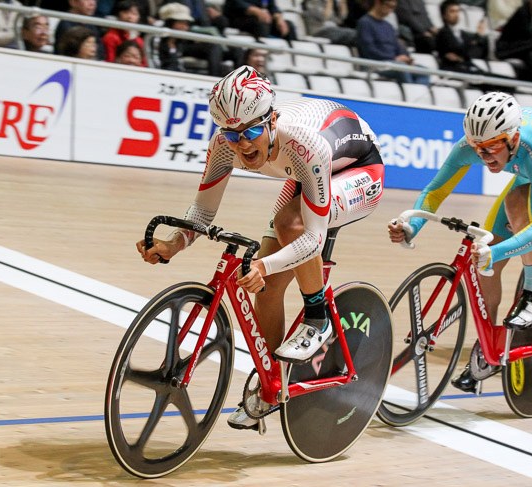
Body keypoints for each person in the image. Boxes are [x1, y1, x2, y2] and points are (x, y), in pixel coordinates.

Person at [136, 66, 386, 430]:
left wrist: (264, 265)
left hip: (357, 169)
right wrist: (174, 243)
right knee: (266, 292)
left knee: (291, 225)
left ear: (271, 120)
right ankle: (273, 389)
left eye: (252, 131)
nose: (243, 144)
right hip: (304, 176)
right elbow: (204, 210)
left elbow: (313, 237)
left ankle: (318, 317)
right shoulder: (224, 146)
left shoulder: (301, 142)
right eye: (232, 135)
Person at [388, 92, 532, 393]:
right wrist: (412, 226)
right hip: (528, 177)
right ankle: (489, 346)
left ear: (513, 137)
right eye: (477, 148)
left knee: (515, 205)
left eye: (491, 148)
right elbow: (434, 192)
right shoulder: (475, 144)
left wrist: (495, 249)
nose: (484, 156)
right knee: (487, 263)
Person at [356, 0, 430, 85]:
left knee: (424, 71)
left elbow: (397, 46)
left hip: (393, 63)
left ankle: (418, 93)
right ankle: (410, 94)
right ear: (377, 2)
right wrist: (394, 59)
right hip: (375, 64)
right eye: (388, 6)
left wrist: (405, 58)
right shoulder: (365, 22)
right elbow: (368, 50)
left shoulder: (388, 26)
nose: (390, 10)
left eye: (393, 7)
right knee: (402, 68)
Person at [158, 3, 225, 76]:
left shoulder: (180, 43)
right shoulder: (157, 41)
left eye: (186, 24)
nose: (184, 27)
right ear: (170, 23)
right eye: (180, 23)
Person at [436, 0, 488, 74]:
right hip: (454, 69)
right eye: (452, 11)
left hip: (468, 67)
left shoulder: (463, 34)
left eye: (458, 11)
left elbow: (469, 51)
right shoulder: (443, 33)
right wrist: (477, 36)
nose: (456, 14)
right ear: (443, 15)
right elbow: (461, 49)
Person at [223, 0, 295, 41]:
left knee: (288, 25)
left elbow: (273, 8)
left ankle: (295, 57)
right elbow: (236, 3)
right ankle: (262, 53)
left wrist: (279, 19)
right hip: (238, 17)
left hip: (260, 18)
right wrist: (255, 10)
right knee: (262, 24)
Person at [102, 0, 147, 65]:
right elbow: (110, 62)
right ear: (118, 14)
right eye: (126, 12)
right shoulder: (111, 37)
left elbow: (143, 64)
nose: (129, 17)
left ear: (139, 18)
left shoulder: (139, 41)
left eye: (134, 14)